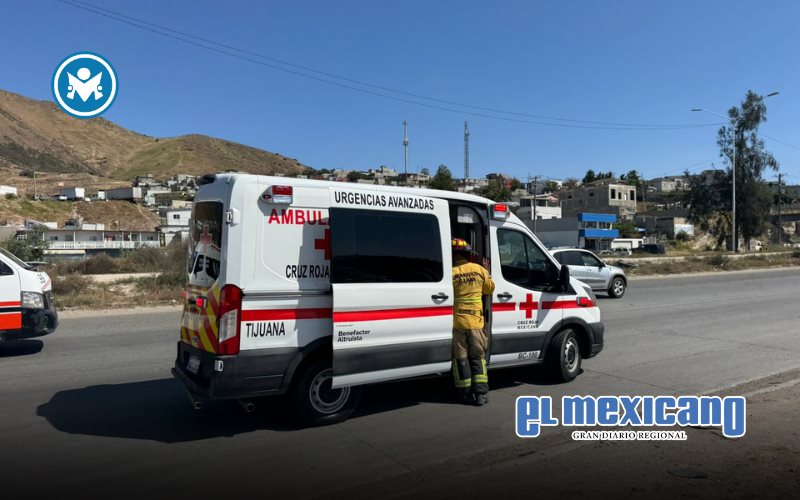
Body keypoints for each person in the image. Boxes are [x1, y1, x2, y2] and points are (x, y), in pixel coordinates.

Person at [450, 238, 495, 405]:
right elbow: (489, 289)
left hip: (458, 322)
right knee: (477, 358)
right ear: (468, 254)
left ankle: (464, 394)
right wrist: (487, 272)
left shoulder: (451, 273)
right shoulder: (479, 269)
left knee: (460, 359)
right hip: (476, 322)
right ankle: (481, 395)